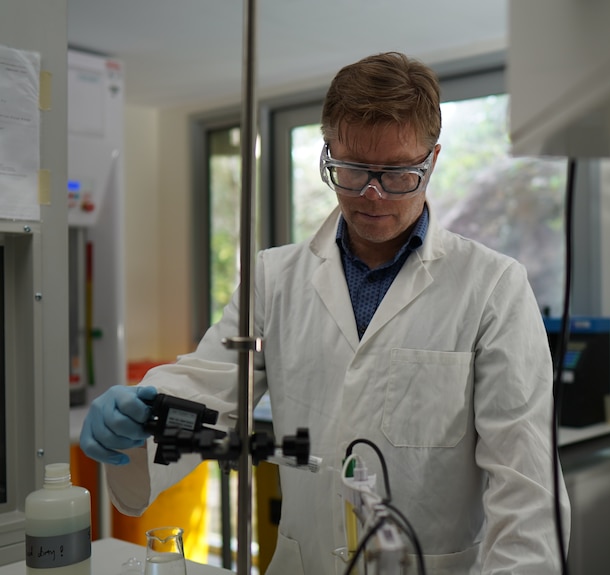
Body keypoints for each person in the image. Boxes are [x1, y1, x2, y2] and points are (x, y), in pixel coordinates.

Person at [80, 51, 570, 574]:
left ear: (432, 160)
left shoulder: (492, 286)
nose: (373, 194)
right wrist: (138, 423)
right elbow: (208, 395)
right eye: (352, 169)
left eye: (399, 173)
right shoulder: (273, 279)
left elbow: (527, 491)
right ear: (328, 151)